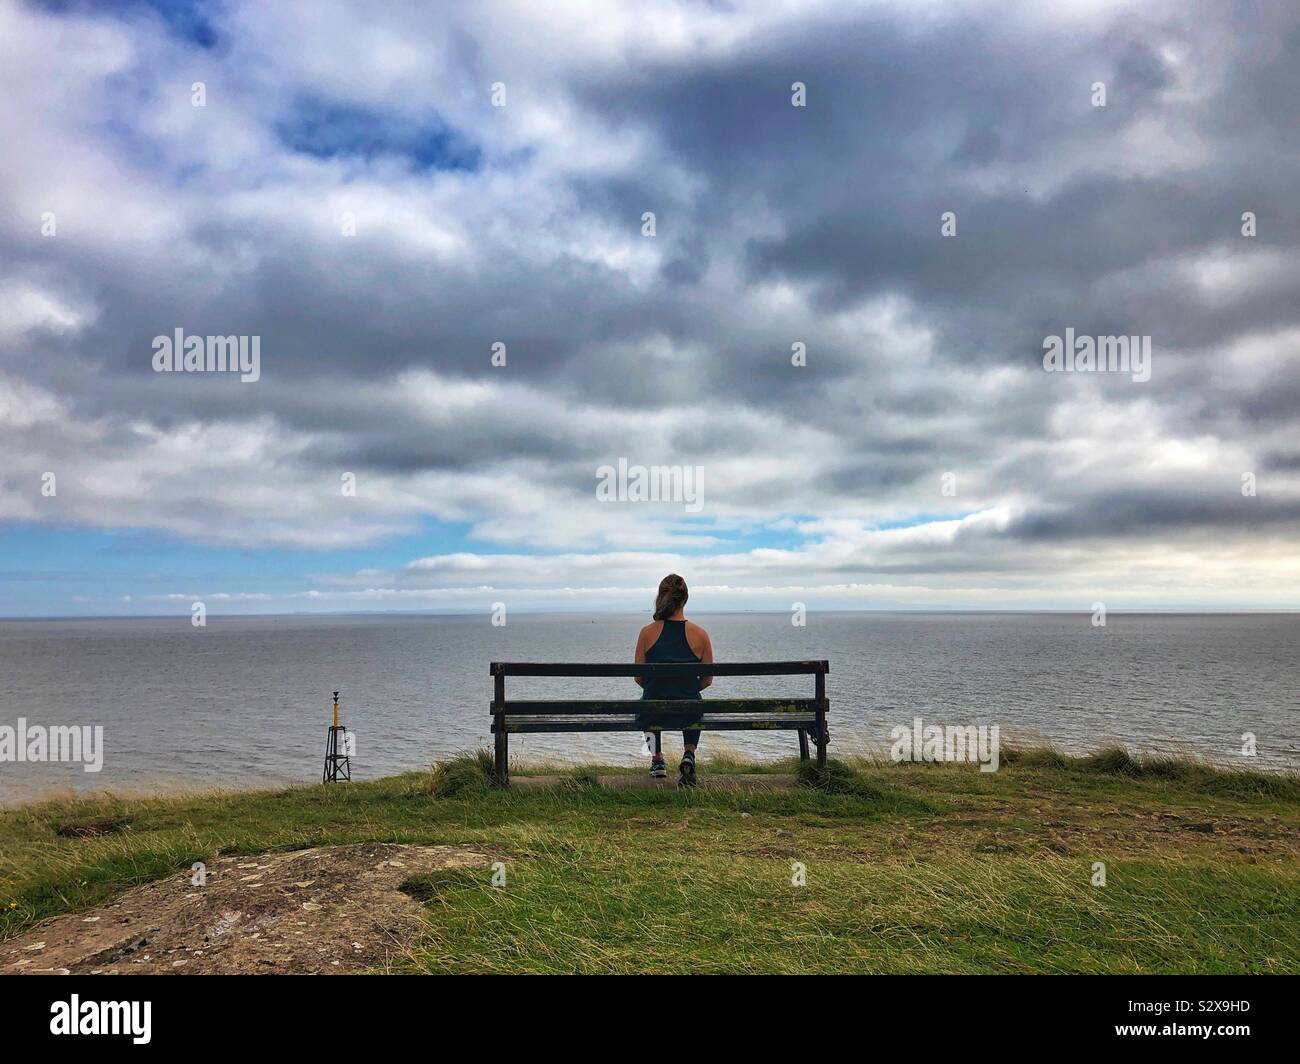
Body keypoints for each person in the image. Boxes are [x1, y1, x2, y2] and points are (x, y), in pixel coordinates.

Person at [634, 573, 713, 786]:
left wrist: (657, 687)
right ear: (685, 599)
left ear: (661, 598)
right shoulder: (701, 634)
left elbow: (639, 677)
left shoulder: (646, 633)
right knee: (692, 700)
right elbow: (707, 680)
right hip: (687, 711)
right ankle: (689, 753)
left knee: (647, 704)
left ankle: (657, 760)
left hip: (655, 709)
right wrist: (685, 688)